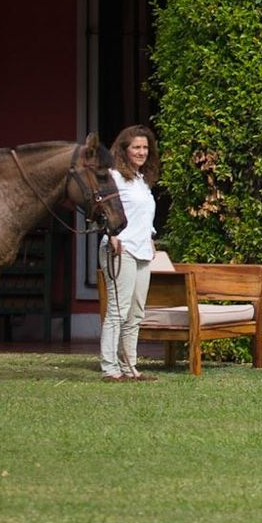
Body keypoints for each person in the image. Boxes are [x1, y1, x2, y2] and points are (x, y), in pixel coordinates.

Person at [100, 124, 160, 383]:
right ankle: (110, 368)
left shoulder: (141, 180)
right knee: (118, 310)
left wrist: (151, 237)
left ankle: (130, 367)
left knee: (135, 313)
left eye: (145, 147)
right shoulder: (113, 176)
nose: (141, 152)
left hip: (142, 249)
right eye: (136, 147)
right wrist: (112, 234)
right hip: (120, 248)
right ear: (124, 149)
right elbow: (102, 210)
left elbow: (142, 215)